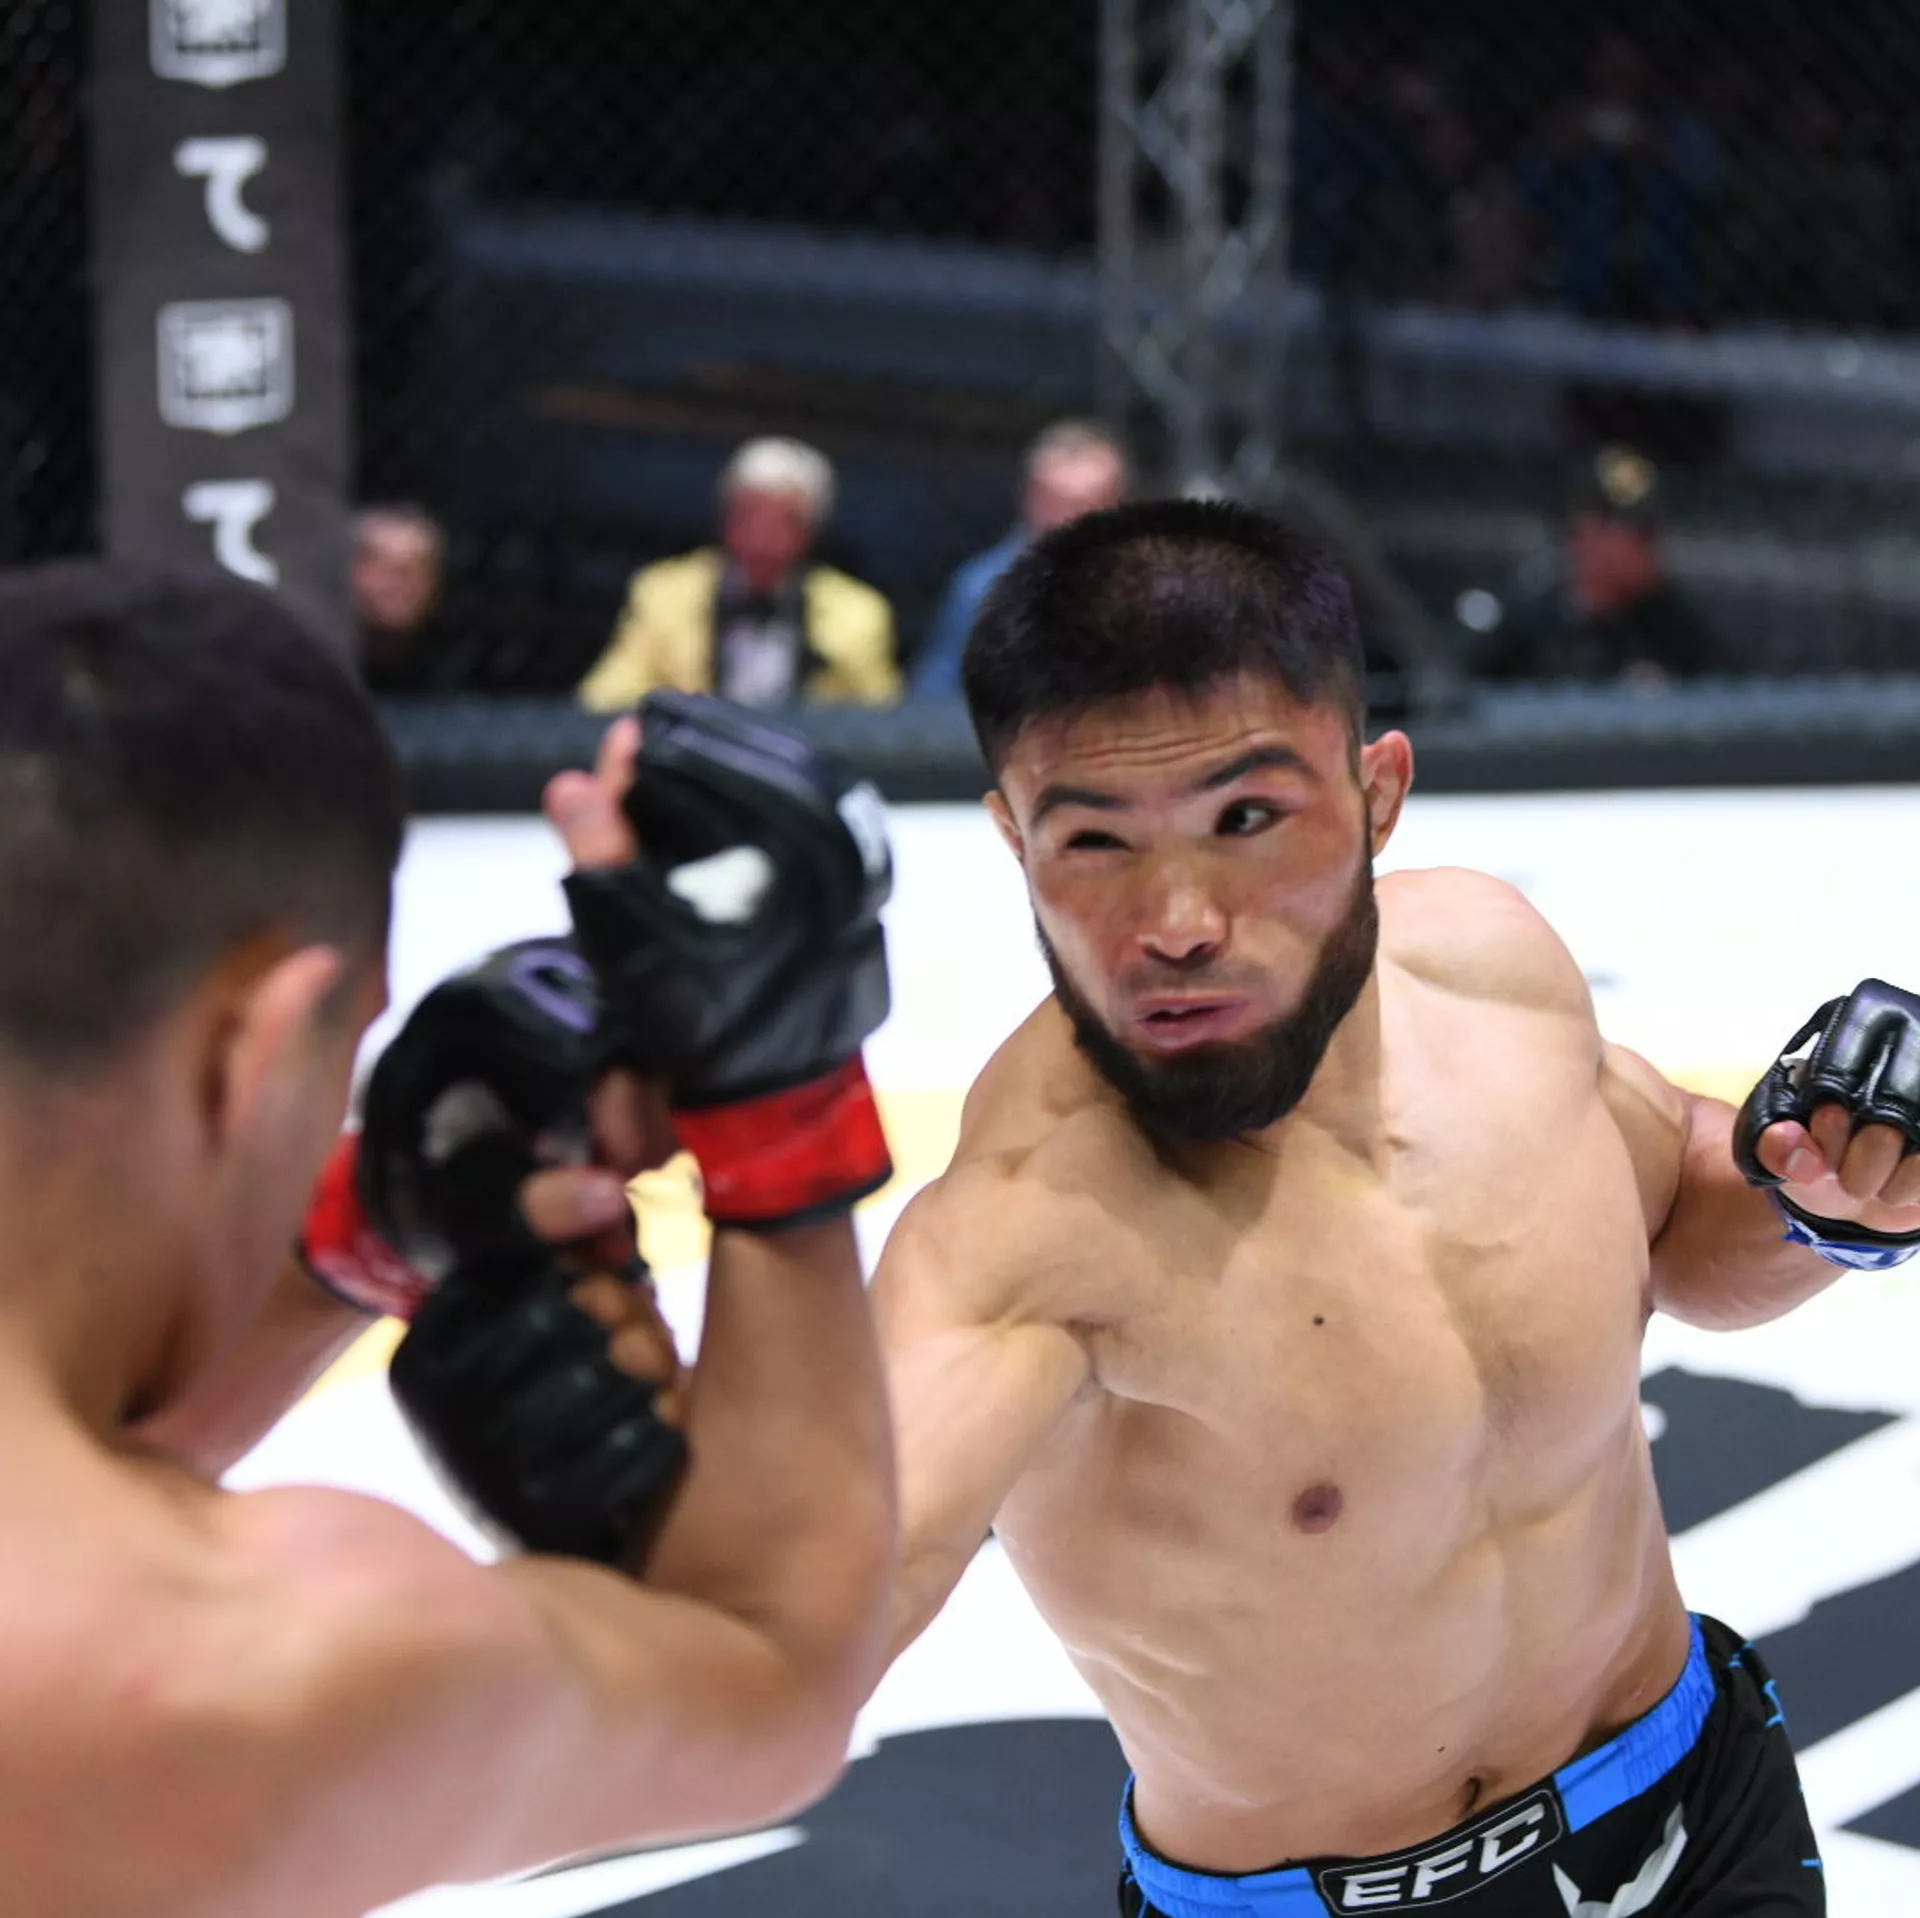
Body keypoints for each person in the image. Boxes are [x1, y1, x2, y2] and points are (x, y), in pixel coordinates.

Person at [872, 498, 1920, 1915]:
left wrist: (1838, 1192)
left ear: (1378, 794)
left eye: (1248, 818)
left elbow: (1677, 1206)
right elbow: (800, 1617)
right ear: (1011, 835)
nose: (1177, 920)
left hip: (1695, 1809)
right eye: (1097, 841)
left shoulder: (1490, 968)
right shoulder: (1023, 1231)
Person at [0, 563, 897, 1916]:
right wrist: (779, 1096)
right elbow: (770, 1678)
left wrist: (374, 1220)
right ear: (252, 1051)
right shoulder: (231, 1664)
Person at [579, 437, 900, 713]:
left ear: (811, 532)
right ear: (725, 519)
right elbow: (601, 703)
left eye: (783, 522)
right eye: (748, 516)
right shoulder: (663, 594)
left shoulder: (858, 615)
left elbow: (885, 729)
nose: (762, 538)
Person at [911, 420, 1129, 700]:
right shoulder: (979, 590)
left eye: (1086, 504)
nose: (1068, 519)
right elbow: (932, 701)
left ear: (1118, 506)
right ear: (1027, 498)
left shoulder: (1152, 592)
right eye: (1052, 502)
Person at [1482, 446, 1718, 687]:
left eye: (1649, 528)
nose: (1647, 544)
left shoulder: (1675, 629)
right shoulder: (1522, 624)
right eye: (1632, 527)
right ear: (1580, 532)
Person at [351, 502, 448, 693]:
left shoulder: (456, 671)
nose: (399, 579)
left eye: (418, 565)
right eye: (377, 561)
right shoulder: (313, 660)